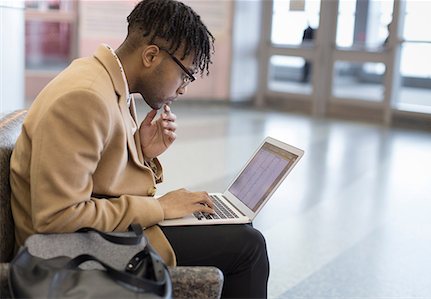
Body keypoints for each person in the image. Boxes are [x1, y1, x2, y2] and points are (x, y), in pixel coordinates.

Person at [10, 0, 269, 298]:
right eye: (185, 74)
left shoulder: (109, 82)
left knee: (243, 236)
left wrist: (143, 152)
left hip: (99, 233)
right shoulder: (85, 96)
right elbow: (57, 217)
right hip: (66, 251)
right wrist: (160, 207)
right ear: (150, 56)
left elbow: (93, 175)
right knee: (248, 246)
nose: (184, 88)